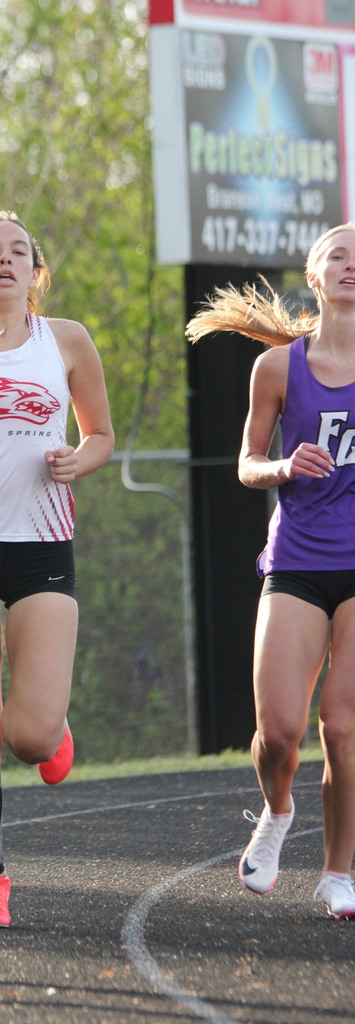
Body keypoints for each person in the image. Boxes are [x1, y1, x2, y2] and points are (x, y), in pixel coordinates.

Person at [0, 211, 114, 928]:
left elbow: (100, 433)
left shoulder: (65, 340)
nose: (5, 260)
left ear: (36, 271)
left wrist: (79, 458)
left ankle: (52, 730)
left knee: (29, 740)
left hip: (41, 550)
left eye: (19, 252)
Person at [185, 221, 355, 920]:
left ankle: (338, 871)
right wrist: (284, 465)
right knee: (277, 732)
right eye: (336, 257)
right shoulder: (278, 368)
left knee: (342, 728)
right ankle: (277, 809)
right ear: (313, 278)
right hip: (297, 559)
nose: (350, 266)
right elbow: (246, 463)